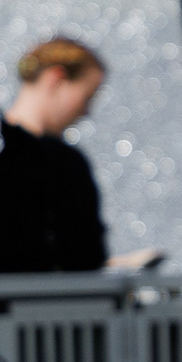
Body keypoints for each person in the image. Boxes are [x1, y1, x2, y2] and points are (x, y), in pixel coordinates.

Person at [1, 38, 109, 275]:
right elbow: (85, 256)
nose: (85, 112)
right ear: (57, 79)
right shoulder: (63, 163)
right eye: (86, 98)